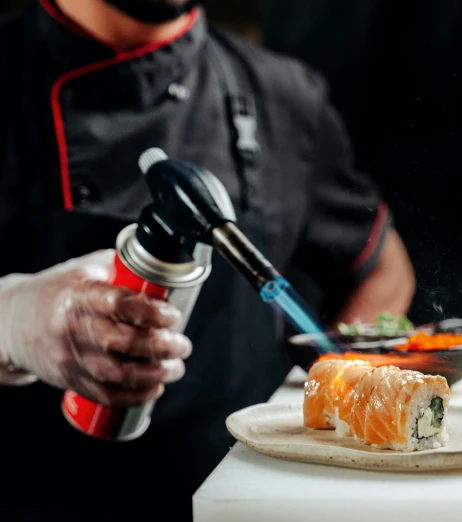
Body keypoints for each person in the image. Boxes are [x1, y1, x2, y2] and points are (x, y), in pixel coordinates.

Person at [0, 1, 416, 521]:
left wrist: (336, 388)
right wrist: (11, 324)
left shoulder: (283, 94)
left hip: (246, 506)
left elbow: (383, 268)